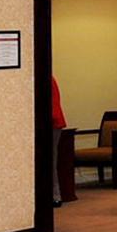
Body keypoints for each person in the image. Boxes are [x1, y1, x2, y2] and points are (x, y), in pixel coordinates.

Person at [51, 76, 68, 206]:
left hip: (52, 123)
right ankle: (55, 195)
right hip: (54, 122)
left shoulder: (47, 79)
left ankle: (55, 195)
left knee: (50, 161)